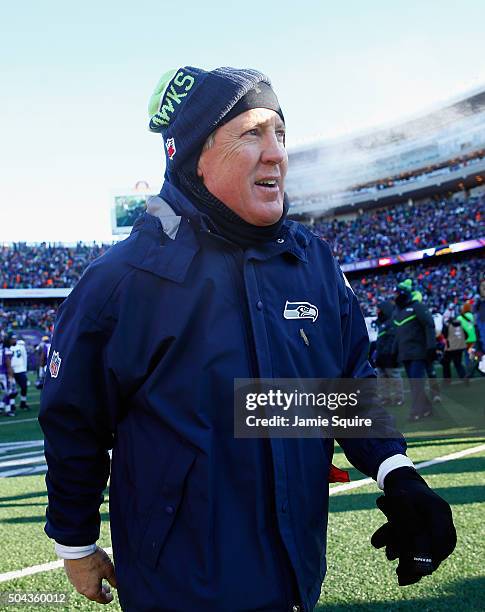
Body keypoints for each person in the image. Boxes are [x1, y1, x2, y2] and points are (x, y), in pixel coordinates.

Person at [39, 66, 456, 611]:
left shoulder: (311, 262)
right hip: (180, 590)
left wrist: (396, 473)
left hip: (296, 579)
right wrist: (75, 540)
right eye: (252, 133)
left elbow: (341, 390)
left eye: (280, 134)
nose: (277, 153)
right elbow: (74, 418)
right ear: (194, 156)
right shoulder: (123, 280)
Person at [393, 279, 435, 421]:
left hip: (418, 352)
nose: (395, 296)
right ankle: (427, 408)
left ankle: (415, 412)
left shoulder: (417, 307)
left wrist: (431, 347)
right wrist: (394, 352)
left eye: (397, 293)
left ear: (404, 293)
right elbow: (397, 334)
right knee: (414, 383)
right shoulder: (398, 312)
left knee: (416, 383)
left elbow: (429, 325)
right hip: (405, 354)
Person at [374, 301, 403, 406]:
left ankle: (398, 398)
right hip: (381, 356)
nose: (377, 311)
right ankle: (385, 398)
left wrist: (391, 353)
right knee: (382, 379)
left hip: (390, 356)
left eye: (379, 309)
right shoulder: (382, 323)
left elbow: (393, 341)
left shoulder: (392, 323)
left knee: (394, 377)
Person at [9, 332, 29, 410]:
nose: (14, 340)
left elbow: (24, 357)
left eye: (15, 338)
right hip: (11, 370)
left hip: (20, 369)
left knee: (24, 386)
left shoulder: (20, 346)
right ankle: (12, 404)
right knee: (12, 389)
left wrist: (24, 368)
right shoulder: (7, 347)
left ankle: (23, 402)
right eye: (12, 338)